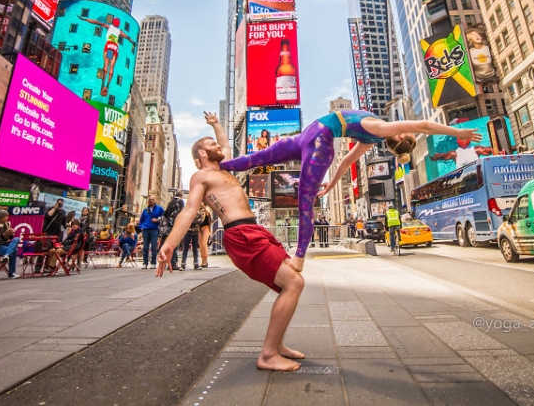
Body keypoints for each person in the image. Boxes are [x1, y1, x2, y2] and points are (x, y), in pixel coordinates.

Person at [220, 108, 481, 272]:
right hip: (311, 134)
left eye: (405, 131)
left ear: (400, 137)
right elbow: (345, 163)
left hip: (320, 140)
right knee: (262, 156)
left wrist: (457, 130)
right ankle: (221, 165)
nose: (405, 128)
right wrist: (331, 184)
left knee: (303, 201)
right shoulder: (372, 137)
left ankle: (299, 257)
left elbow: (424, 124)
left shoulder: (380, 128)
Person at [157, 112, 305, 371]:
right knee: (293, 282)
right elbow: (189, 210)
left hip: (254, 231)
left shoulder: (223, 168)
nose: (218, 146)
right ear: (201, 155)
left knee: (289, 285)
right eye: (210, 144)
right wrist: (169, 243)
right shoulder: (201, 177)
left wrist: (216, 124)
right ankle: (269, 355)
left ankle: (277, 345)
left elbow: (224, 146)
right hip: (241, 235)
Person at [78, 15, 137, 97]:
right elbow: (127, 37)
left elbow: (97, 22)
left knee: (106, 64)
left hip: (109, 47)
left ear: (113, 23)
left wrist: (85, 19)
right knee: (112, 66)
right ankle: (108, 85)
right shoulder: (119, 31)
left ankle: (102, 85)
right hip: (115, 48)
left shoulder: (108, 27)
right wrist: (133, 42)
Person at [0, 210, 20, 278]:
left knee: (16, 239)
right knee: (15, 250)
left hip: (7, 245)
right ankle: (11, 273)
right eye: (6, 216)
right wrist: (4, 235)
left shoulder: (7, 225)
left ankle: (6, 255)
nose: (7, 218)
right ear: (0, 217)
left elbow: (10, 238)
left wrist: (11, 233)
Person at [138, 195, 163, 269]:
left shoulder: (160, 209)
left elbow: (164, 217)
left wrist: (157, 220)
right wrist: (141, 227)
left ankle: (153, 263)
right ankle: (145, 263)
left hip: (154, 230)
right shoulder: (145, 210)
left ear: (155, 200)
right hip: (145, 230)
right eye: (150, 199)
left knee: (154, 247)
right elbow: (141, 220)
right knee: (145, 247)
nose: (151, 200)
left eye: (152, 199)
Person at [162, 190, 185, 270]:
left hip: (168, 226)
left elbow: (165, 214)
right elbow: (182, 213)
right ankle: (173, 263)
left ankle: (168, 263)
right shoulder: (181, 202)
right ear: (181, 195)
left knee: (169, 244)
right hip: (176, 226)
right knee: (174, 245)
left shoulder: (170, 202)